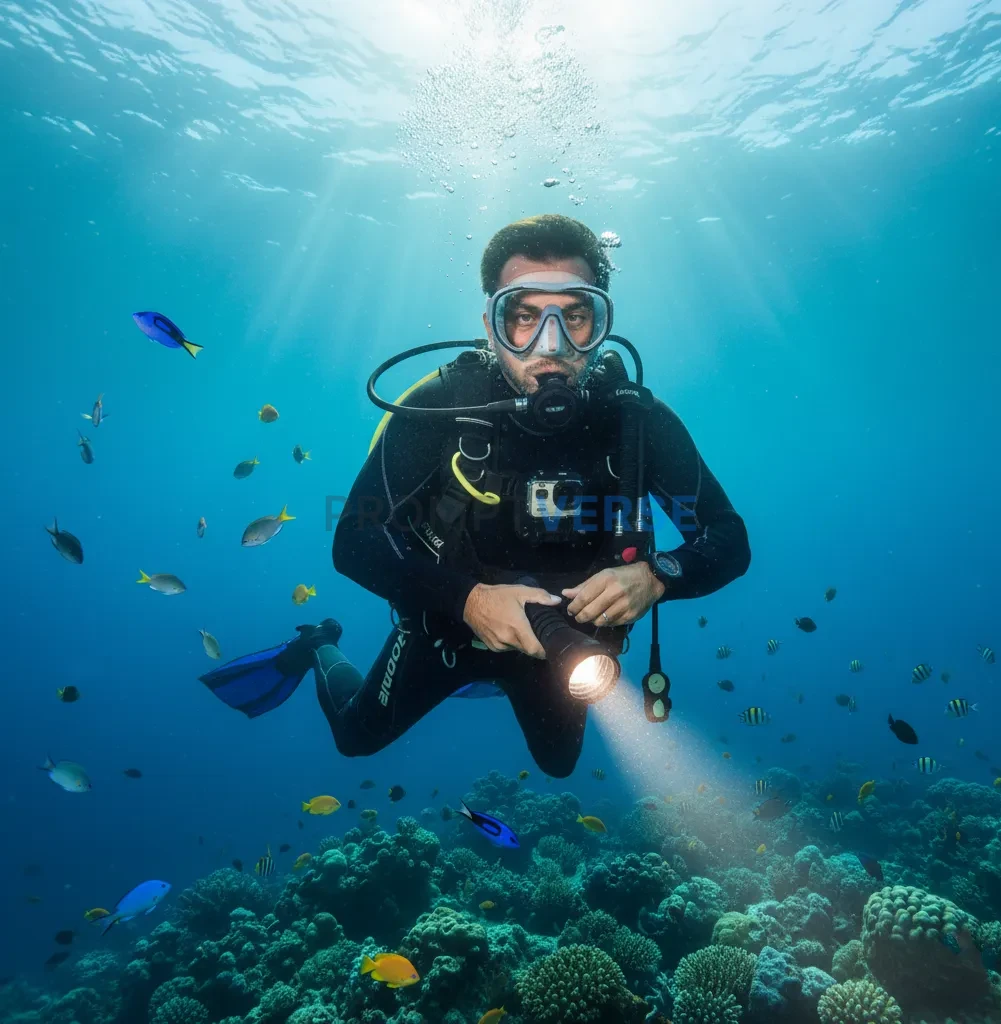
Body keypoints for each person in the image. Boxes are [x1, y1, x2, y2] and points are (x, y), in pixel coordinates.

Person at [200, 215, 750, 777]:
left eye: (577, 317)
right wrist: (469, 601)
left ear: (601, 325)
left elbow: (729, 537)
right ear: (491, 327)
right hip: (448, 629)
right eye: (524, 317)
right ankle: (319, 644)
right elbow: (355, 539)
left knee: (559, 764)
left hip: (563, 644)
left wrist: (656, 575)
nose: (552, 346)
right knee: (354, 738)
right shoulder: (441, 408)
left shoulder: (637, 422)